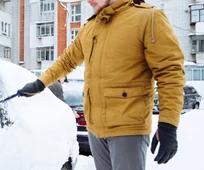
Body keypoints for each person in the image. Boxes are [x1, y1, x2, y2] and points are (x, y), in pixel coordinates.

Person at [17, 0, 186, 169]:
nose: (89, 1)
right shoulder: (92, 26)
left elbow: (170, 72)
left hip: (127, 128)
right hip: (95, 129)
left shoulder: (148, 17)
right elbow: (67, 60)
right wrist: (40, 83)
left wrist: (168, 124)